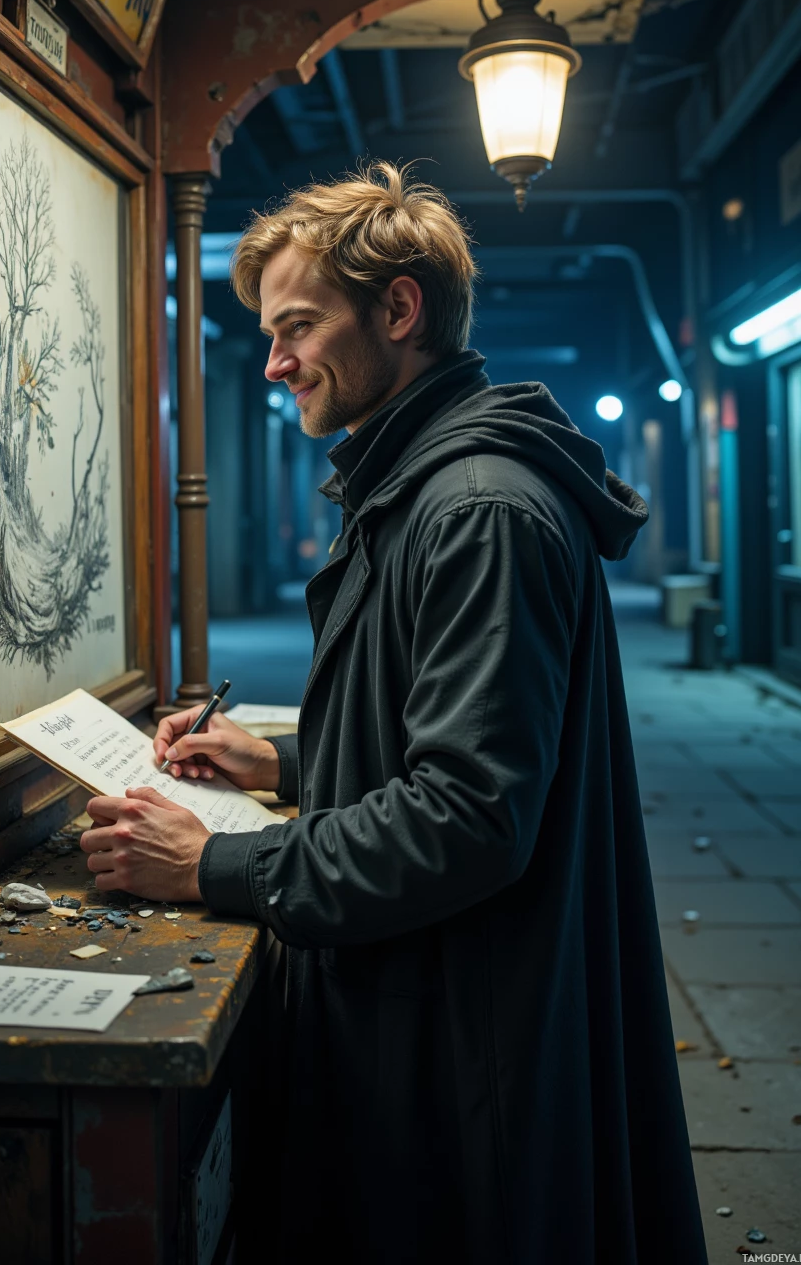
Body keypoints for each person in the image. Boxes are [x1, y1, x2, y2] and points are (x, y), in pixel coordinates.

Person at [80, 164, 707, 1263]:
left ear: (400, 310)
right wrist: (278, 762)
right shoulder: (419, 482)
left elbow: (468, 815)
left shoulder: (475, 511)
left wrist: (209, 868)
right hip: (447, 1010)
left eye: (298, 328)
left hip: (464, 1046)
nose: (273, 363)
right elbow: (445, 731)